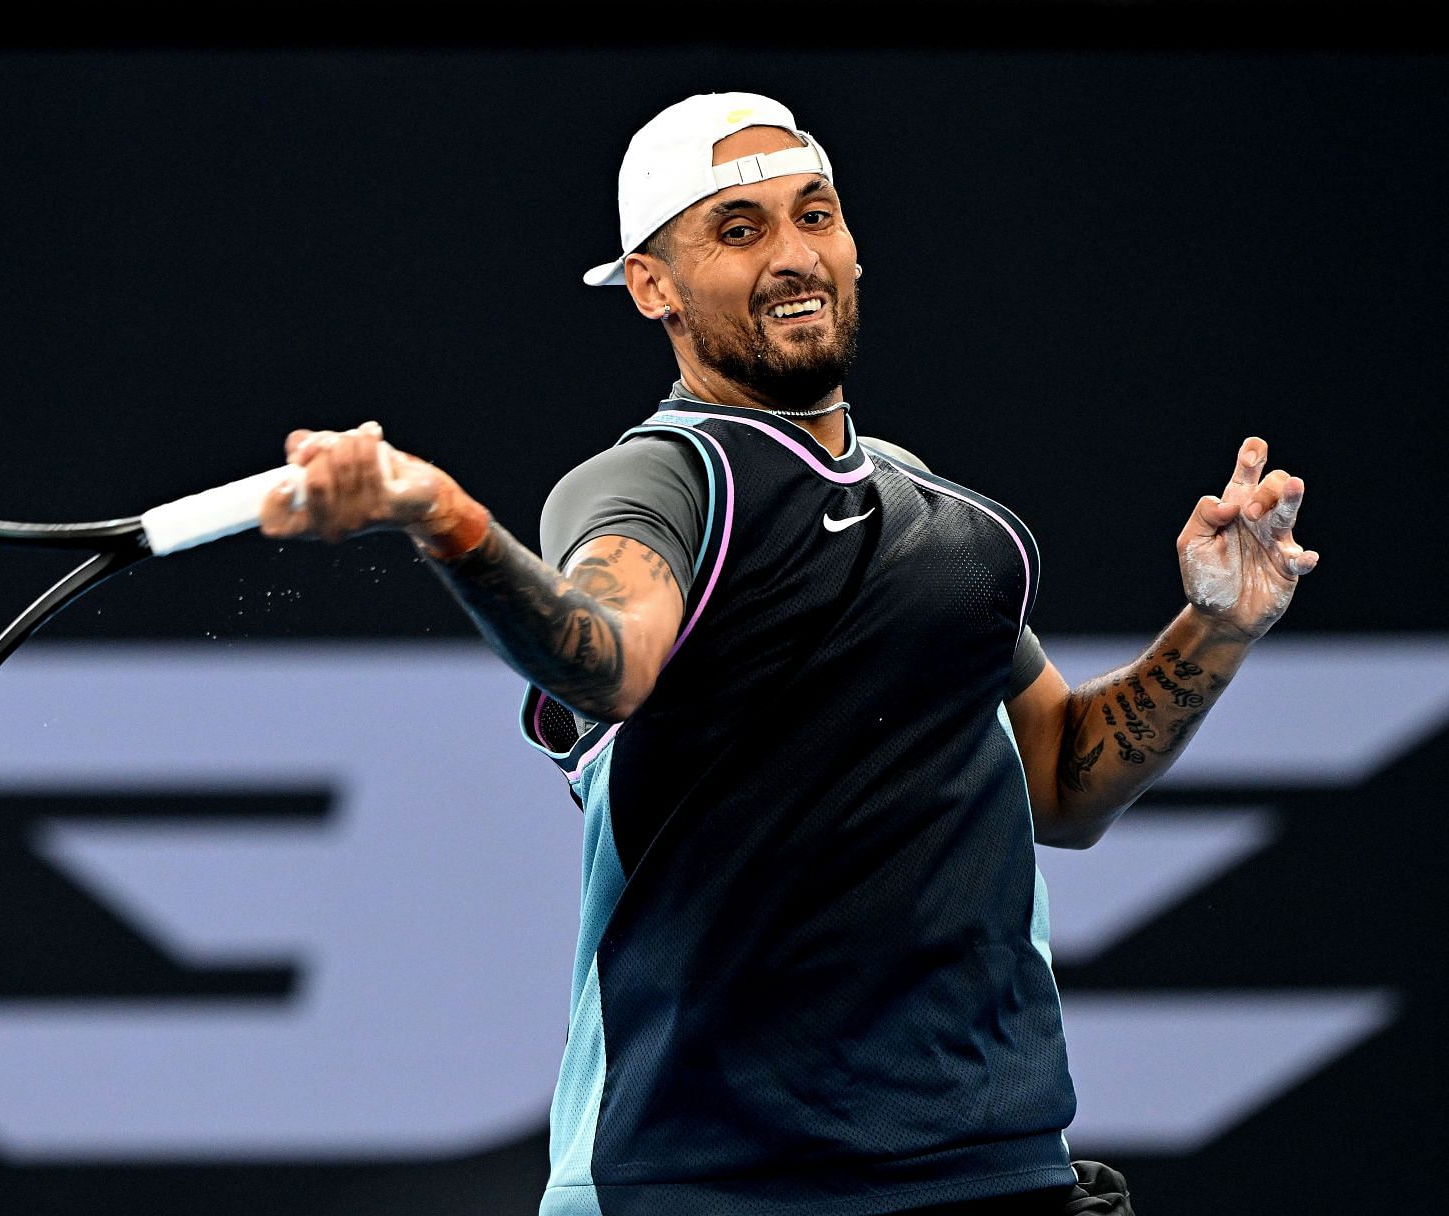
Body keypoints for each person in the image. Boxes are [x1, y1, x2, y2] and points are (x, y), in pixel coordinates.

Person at [258, 91, 1315, 1215]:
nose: (796, 255)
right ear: (651, 285)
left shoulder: (956, 523)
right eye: (740, 229)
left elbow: (1061, 782)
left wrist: (1218, 625)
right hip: (710, 1180)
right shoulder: (658, 482)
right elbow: (610, 662)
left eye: (817, 214)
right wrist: (452, 523)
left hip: (984, 1166)